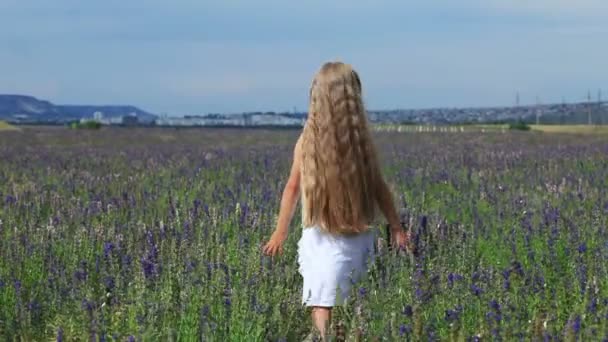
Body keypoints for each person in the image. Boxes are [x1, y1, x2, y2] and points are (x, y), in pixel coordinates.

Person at [263, 61, 409, 340]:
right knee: (351, 300)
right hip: (354, 235)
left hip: (323, 235)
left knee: (322, 300)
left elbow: (292, 188)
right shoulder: (359, 141)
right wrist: (396, 227)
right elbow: (380, 188)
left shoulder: (309, 139)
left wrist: (280, 232)